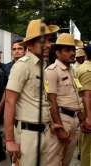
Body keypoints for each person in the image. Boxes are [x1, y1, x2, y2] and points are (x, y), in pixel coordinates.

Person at [4, 19, 59, 166]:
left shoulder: (42, 66)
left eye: (49, 40)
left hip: (44, 132)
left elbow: (42, 99)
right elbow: (9, 102)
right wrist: (9, 140)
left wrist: (52, 123)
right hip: (28, 136)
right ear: (29, 44)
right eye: (43, 41)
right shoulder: (22, 66)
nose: (48, 45)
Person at [45, 33, 83, 166]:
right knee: (54, 161)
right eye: (67, 50)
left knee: (66, 160)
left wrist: (82, 119)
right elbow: (51, 101)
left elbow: (76, 97)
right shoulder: (52, 71)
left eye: (73, 49)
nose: (72, 53)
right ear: (57, 53)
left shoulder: (71, 70)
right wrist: (59, 127)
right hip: (62, 119)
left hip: (74, 121)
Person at [75, 45, 91, 166]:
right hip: (88, 109)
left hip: (85, 109)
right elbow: (87, 95)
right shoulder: (87, 70)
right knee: (88, 147)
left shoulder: (81, 67)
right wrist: (88, 118)